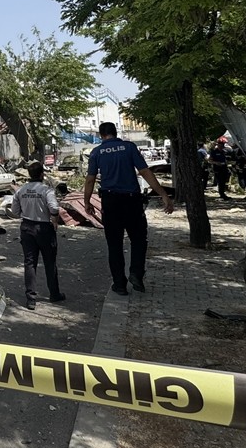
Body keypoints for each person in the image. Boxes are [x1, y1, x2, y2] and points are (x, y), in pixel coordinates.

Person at [83, 123, 174, 295]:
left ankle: (119, 284)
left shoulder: (96, 152)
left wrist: (87, 201)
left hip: (110, 202)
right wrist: (163, 194)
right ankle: (136, 274)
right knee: (139, 239)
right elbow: (145, 172)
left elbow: (90, 179)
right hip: (132, 201)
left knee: (114, 244)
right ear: (115, 133)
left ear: (101, 135)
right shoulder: (129, 147)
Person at [10, 160, 63, 309]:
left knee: (30, 263)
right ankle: (54, 294)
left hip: (27, 228)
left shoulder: (21, 190)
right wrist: (54, 218)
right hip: (44, 228)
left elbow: (14, 211)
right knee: (50, 262)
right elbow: (54, 208)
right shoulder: (46, 190)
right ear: (41, 174)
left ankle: (31, 299)